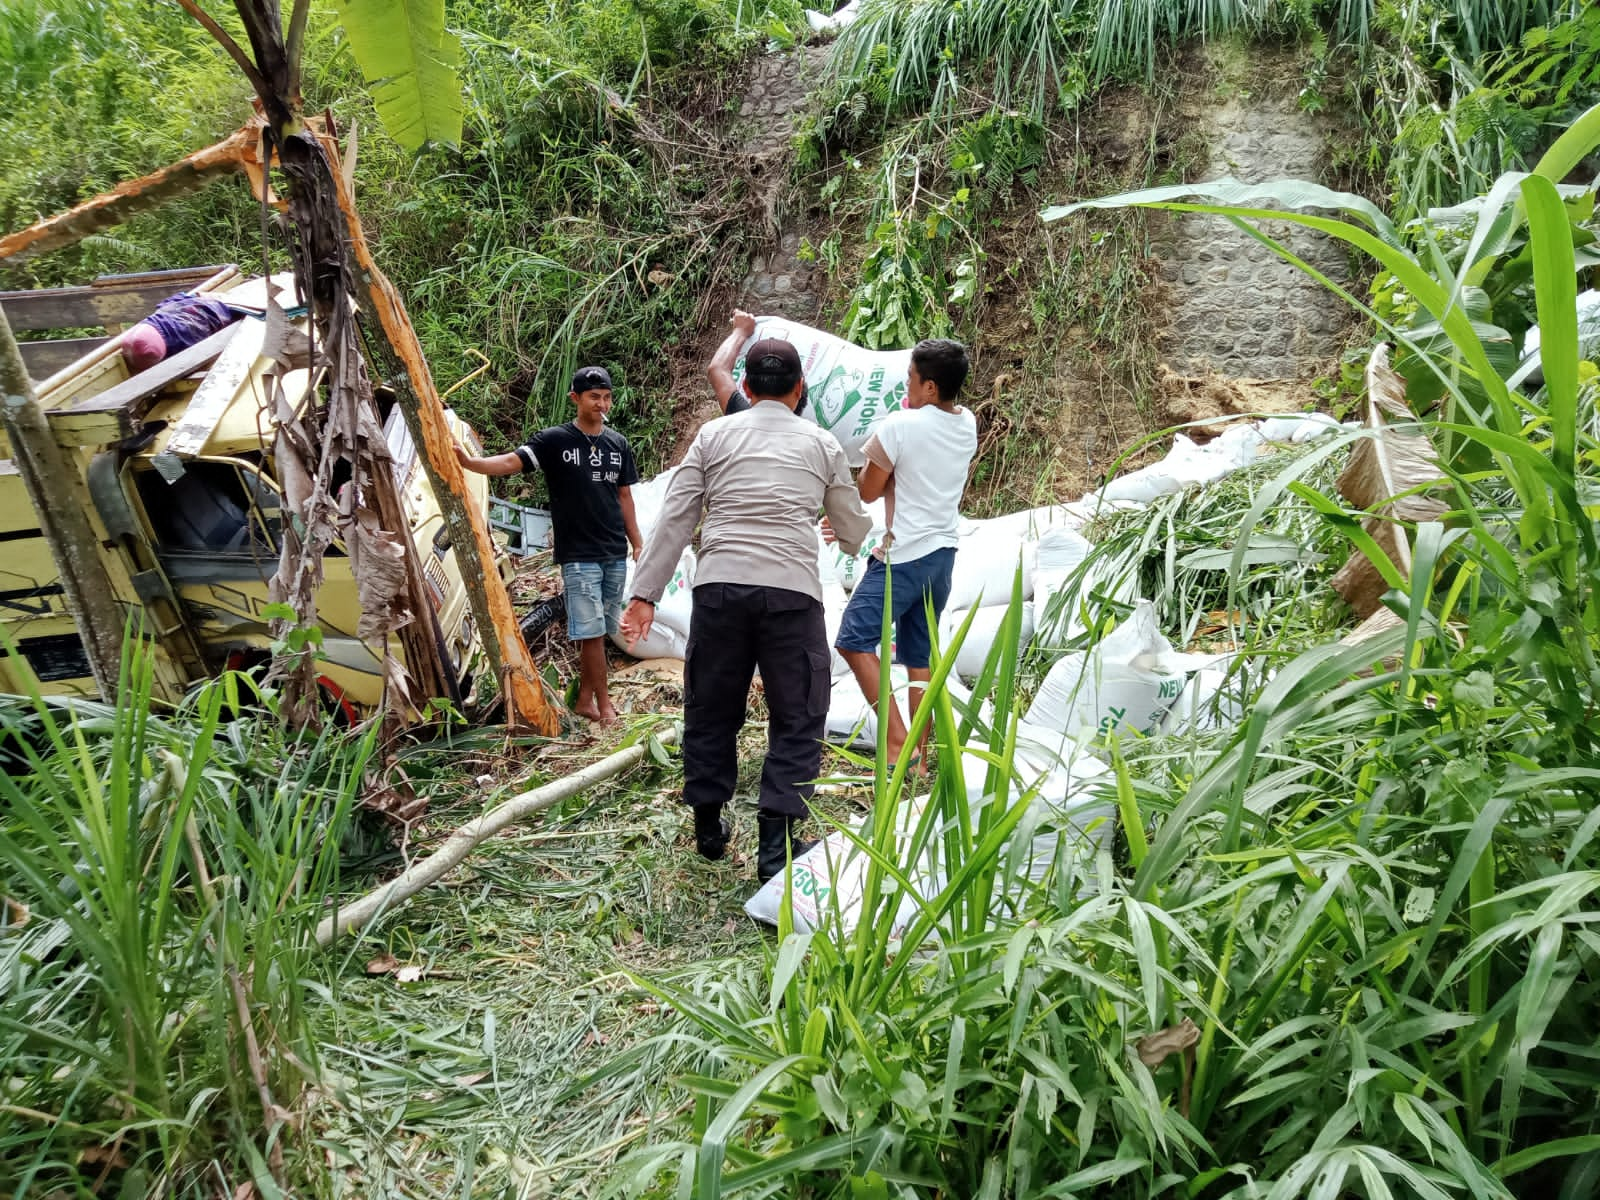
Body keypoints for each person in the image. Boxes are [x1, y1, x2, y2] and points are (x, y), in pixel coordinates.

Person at [620, 336, 873, 883]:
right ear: (800, 388)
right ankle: (776, 853)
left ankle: (709, 829)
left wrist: (644, 597)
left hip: (719, 590)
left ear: (748, 388)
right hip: (792, 594)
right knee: (799, 715)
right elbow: (852, 533)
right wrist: (849, 533)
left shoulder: (713, 435)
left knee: (711, 708)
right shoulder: (823, 444)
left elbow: (676, 520)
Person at [456, 366, 643, 723]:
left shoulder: (617, 444)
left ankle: (585, 700)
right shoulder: (555, 440)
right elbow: (512, 461)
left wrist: (636, 542)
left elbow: (624, 496)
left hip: (613, 552)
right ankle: (605, 707)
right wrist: (471, 463)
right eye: (593, 397)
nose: (601, 404)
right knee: (591, 634)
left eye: (606, 397)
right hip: (579, 554)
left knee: (602, 630)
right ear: (575, 398)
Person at [830, 338, 977, 770]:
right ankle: (921, 757)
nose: (906, 385)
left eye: (911, 378)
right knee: (918, 658)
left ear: (930, 387)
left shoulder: (900, 426)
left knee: (853, 641)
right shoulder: (966, 422)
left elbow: (868, 491)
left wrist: (886, 462)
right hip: (943, 555)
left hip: (904, 557)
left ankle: (898, 744)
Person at [122, 291, 238, 373]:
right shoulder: (218, 311)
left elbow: (168, 302)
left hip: (149, 327)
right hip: (167, 337)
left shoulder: (185, 302)